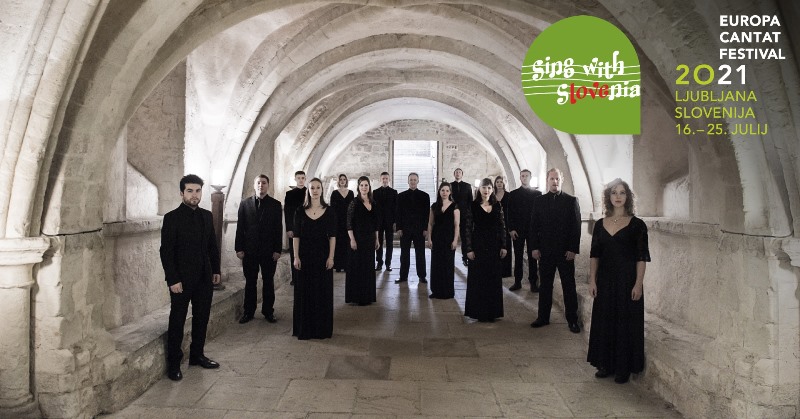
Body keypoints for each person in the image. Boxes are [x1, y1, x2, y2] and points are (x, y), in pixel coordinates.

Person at [587, 179, 650, 384]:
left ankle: (623, 368)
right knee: (605, 320)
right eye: (614, 192)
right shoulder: (600, 225)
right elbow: (595, 255)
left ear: (628, 197)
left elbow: (641, 257)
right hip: (605, 280)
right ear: (608, 197)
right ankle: (605, 364)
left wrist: (638, 284)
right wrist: (592, 281)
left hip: (627, 281)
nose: (618, 196)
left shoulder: (637, 225)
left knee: (625, 323)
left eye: (622, 193)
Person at [160, 174, 221, 381]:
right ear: (181, 193)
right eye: (190, 191)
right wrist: (172, 280)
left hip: (204, 277)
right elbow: (166, 252)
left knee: (202, 318)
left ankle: (197, 355)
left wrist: (216, 270)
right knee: (177, 320)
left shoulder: (206, 216)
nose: (194, 195)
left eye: (197, 191)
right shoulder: (172, 218)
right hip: (181, 280)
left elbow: (212, 245)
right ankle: (174, 364)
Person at [529, 168, 582, 333]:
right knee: (545, 286)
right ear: (547, 180)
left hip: (565, 252)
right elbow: (534, 226)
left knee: (569, 286)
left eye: (557, 179)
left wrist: (573, 249)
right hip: (545, 251)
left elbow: (576, 227)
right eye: (552, 179)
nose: (555, 182)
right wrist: (534, 247)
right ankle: (543, 317)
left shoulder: (571, 201)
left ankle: (572, 320)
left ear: (562, 180)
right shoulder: (539, 201)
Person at [292, 178, 336, 340]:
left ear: (322, 190)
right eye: (312, 188)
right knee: (305, 292)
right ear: (308, 191)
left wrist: (331, 257)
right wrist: (296, 257)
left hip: (322, 256)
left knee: (322, 292)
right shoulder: (299, 211)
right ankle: (305, 328)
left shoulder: (329, 211)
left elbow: (333, 237)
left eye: (318, 187)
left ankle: (321, 329)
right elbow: (296, 236)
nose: (315, 190)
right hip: (305, 256)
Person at [235, 175, 282, 324]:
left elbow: (278, 229)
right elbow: (240, 227)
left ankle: (268, 311)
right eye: (258, 183)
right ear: (254, 185)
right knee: (250, 282)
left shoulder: (275, 205)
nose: (261, 185)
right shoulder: (245, 204)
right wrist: (238, 248)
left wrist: (278, 250)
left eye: (264, 183)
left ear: (268, 185)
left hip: (269, 251)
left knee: (268, 281)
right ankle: (248, 312)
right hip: (250, 250)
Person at [462, 178, 507, 322]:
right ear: (479, 189)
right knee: (478, 279)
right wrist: (468, 249)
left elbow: (502, 226)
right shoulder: (473, 205)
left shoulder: (497, 205)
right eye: (483, 187)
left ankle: (492, 312)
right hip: (478, 246)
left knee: (493, 278)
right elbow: (467, 228)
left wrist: (504, 246)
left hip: (494, 246)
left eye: (488, 188)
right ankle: (478, 312)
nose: (486, 190)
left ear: (492, 189)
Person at [346, 176, 380, 305]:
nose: (364, 187)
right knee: (357, 268)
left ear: (369, 187)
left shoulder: (373, 203)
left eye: (366, 185)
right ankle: (357, 297)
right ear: (358, 187)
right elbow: (349, 224)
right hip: (357, 239)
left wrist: (377, 239)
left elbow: (376, 224)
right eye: (362, 185)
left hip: (369, 240)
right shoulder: (354, 203)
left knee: (368, 268)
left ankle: (367, 296)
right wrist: (352, 240)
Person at [508, 169, 542, 291]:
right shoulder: (513, 194)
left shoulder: (538, 194)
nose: (525, 178)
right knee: (518, 256)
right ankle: (517, 282)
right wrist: (511, 229)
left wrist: (539, 230)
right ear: (520, 178)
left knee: (533, 256)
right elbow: (509, 213)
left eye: (527, 176)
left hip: (533, 230)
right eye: (522, 176)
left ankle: (533, 283)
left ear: (530, 177)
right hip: (518, 230)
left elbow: (540, 214)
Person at [426, 182, 460, 299]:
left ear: (450, 192)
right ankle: (436, 291)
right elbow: (430, 224)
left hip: (449, 238)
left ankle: (448, 291)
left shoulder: (455, 206)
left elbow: (456, 225)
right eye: (442, 190)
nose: (444, 193)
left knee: (448, 265)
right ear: (439, 192)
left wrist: (455, 240)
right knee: (436, 265)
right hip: (437, 238)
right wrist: (429, 239)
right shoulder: (434, 206)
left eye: (447, 190)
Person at [395, 172, 430, 284]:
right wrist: (399, 228)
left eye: (415, 180)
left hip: (419, 230)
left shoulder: (425, 196)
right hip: (405, 230)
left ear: (418, 181)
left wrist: (425, 229)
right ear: (408, 181)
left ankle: (422, 276)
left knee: (420, 254)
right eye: (411, 180)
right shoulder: (401, 196)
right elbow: (398, 213)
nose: (413, 182)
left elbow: (427, 214)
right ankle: (403, 276)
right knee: (404, 254)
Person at [284, 170, 307, 286]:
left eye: (303, 178)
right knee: (294, 253)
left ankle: (306, 277)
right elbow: (287, 212)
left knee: (306, 252)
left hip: (307, 227)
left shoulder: (309, 192)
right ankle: (295, 278)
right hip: (294, 227)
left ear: (305, 179)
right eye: (299, 178)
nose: (301, 180)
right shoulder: (289, 194)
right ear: (295, 179)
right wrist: (289, 228)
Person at [330, 174, 354, 272]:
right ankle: (338, 265)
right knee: (338, 243)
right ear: (338, 181)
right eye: (341, 179)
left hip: (348, 221)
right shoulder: (334, 193)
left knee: (347, 243)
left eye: (344, 179)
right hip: (338, 222)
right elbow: (332, 209)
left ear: (346, 181)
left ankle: (347, 265)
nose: (343, 181)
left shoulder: (351, 193)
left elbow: (353, 208)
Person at [373, 171, 397, 271]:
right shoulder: (375, 192)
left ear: (389, 180)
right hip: (378, 222)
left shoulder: (394, 192)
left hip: (389, 221)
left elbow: (395, 208)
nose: (385, 180)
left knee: (390, 243)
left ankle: (388, 263)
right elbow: (373, 208)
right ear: (380, 180)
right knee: (378, 242)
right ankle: (379, 263)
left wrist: (395, 222)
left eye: (386, 178)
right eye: (383, 178)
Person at [450, 168, 473, 265]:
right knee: (452, 236)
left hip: (464, 215)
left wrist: (469, 213)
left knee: (465, 237)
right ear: (454, 174)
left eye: (459, 172)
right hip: (452, 215)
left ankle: (465, 258)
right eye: (456, 172)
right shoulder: (450, 185)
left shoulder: (467, 186)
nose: (458, 174)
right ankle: (450, 258)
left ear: (462, 174)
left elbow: (470, 201)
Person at [494, 175, 512, 278]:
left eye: (501, 182)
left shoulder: (508, 195)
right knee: (496, 245)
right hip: (495, 223)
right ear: (495, 184)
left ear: (503, 183)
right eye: (497, 182)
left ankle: (506, 271)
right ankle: (497, 270)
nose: (499, 184)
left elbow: (512, 210)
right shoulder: (492, 195)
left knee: (506, 245)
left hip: (506, 223)